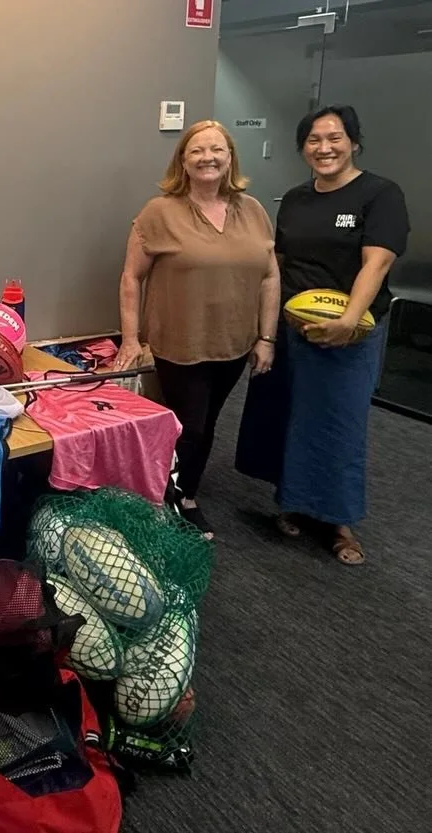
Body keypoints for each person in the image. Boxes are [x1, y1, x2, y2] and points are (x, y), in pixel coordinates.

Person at [235, 105, 409, 565]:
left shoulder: (380, 194)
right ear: (302, 147)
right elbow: (280, 264)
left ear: (353, 141)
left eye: (334, 138)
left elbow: (378, 261)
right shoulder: (295, 198)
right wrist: (265, 329)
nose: (324, 147)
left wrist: (349, 319)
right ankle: (292, 500)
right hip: (292, 325)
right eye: (313, 140)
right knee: (288, 415)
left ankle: (338, 520)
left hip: (348, 332)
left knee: (339, 423)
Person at [115, 120, 280, 539]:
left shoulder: (254, 210)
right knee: (193, 425)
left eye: (217, 150)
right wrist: (131, 339)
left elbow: (269, 277)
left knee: (206, 422)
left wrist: (266, 337)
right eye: (197, 151)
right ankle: (177, 499)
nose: (208, 158)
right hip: (179, 342)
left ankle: (182, 491)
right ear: (183, 162)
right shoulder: (159, 212)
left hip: (234, 343)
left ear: (229, 159)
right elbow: (131, 278)